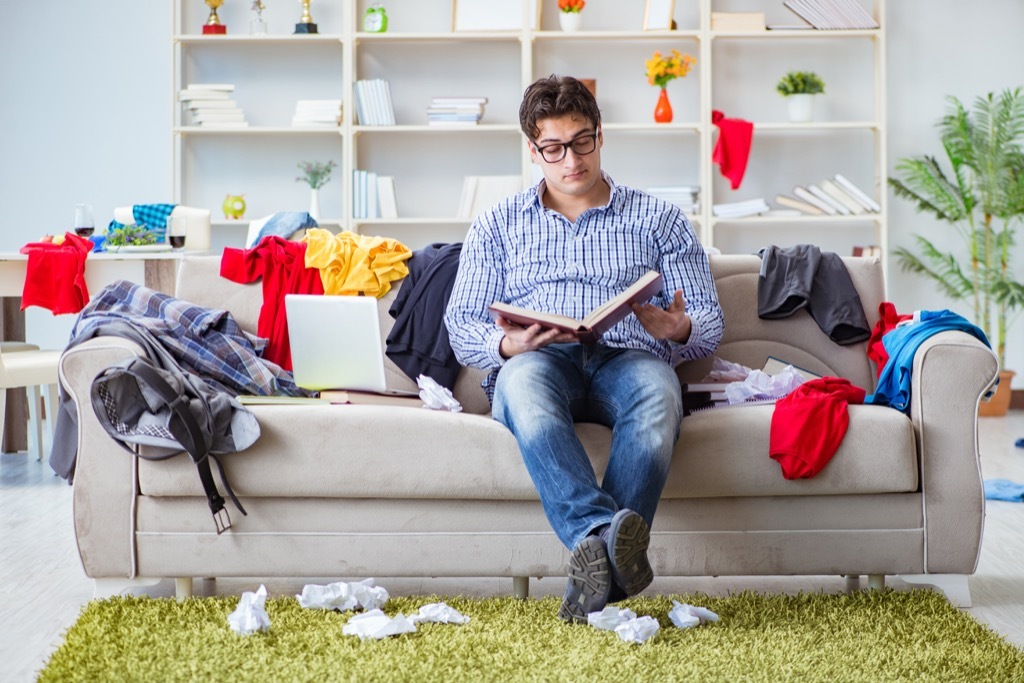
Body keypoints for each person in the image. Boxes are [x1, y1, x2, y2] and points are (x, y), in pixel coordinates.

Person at [444, 75, 724, 623]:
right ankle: (602, 540)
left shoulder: (660, 219)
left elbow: (710, 325)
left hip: (632, 357)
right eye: (553, 148)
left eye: (582, 141)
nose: (571, 160)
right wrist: (508, 343)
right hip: (539, 361)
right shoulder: (497, 225)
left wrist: (678, 330)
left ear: (600, 134)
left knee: (657, 398)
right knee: (522, 386)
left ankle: (595, 575)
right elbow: (460, 326)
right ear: (533, 149)